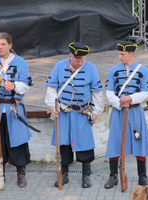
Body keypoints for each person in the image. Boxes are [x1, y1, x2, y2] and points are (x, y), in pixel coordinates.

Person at [45, 42, 104, 188]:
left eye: (82, 59)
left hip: (82, 113)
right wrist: (53, 106)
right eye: (77, 60)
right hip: (63, 113)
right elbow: (51, 88)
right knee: (63, 144)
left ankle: (86, 176)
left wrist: (96, 112)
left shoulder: (91, 68)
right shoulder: (59, 66)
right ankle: (64, 175)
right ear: (70, 55)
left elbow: (97, 93)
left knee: (85, 145)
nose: (80, 62)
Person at [0, 32, 33, 188]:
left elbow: (27, 84)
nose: (0, 47)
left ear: (10, 45)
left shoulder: (20, 61)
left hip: (12, 106)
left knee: (17, 141)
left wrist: (14, 86)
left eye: (3, 44)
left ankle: (21, 174)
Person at [104, 41, 148, 189]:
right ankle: (113, 176)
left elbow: (146, 92)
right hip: (119, 112)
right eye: (119, 53)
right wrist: (119, 102)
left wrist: (130, 99)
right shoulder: (113, 70)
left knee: (139, 142)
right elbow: (109, 91)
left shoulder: (143, 70)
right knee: (115, 143)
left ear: (131, 54)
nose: (120, 57)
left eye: (122, 54)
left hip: (135, 112)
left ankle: (142, 177)